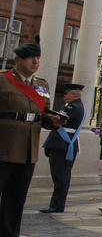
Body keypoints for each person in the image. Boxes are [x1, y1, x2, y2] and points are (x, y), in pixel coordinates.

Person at [0, 43, 65, 237]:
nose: (35, 61)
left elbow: (42, 115)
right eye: (30, 58)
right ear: (17, 60)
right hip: (3, 146)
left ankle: (9, 233)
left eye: (37, 58)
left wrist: (54, 121)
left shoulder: (41, 85)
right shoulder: (3, 81)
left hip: (28, 150)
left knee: (16, 198)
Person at [41, 83, 86, 213]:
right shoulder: (76, 106)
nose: (64, 96)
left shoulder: (73, 107)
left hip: (63, 144)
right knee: (60, 176)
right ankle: (56, 204)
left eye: (66, 93)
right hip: (62, 145)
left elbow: (58, 118)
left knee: (60, 177)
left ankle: (57, 205)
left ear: (73, 94)